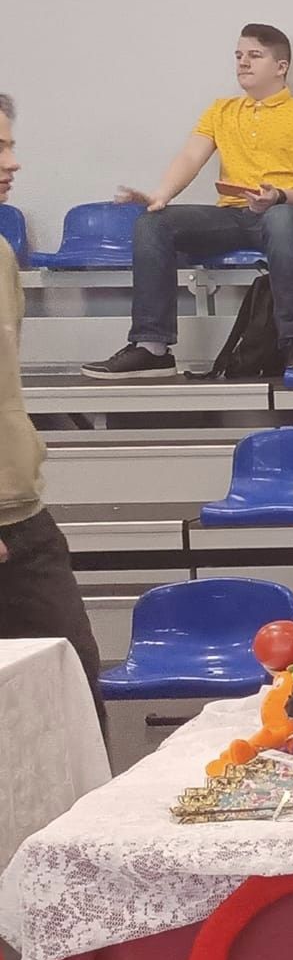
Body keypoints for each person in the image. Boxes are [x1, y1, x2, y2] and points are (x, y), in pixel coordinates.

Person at [84, 24, 293, 380]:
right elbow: (190, 157)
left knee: (281, 220)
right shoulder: (221, 111)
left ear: (281, 67)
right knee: (153, 222)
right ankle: (151, 347)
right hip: (234, 214)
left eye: (254, 55)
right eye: (239, 55)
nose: (243, 63)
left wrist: (278, 196)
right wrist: (161, 195)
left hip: (292, 215)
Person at [0, 96, 105, 731]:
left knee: (73, 706)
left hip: (23, 518)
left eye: (11, 145)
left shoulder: (0, 253)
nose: (13, 162)